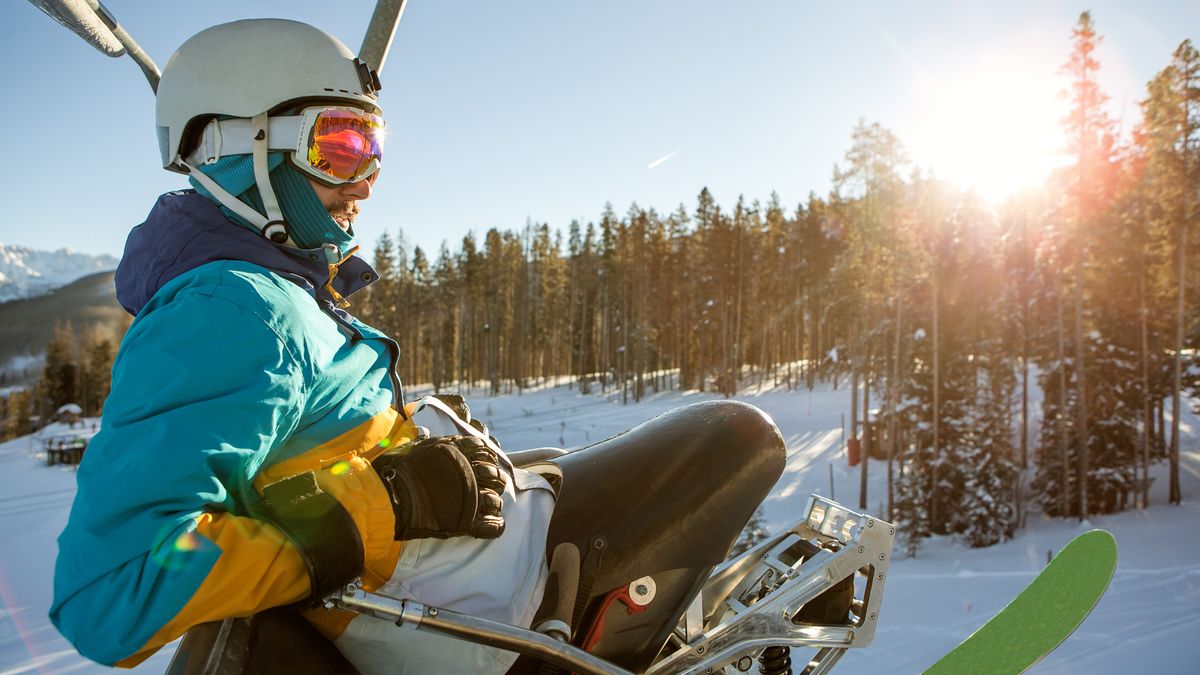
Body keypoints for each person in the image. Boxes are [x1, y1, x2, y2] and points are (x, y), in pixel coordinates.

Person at [49, 18, 557, 673]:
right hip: (509, 622)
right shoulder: (231, 307)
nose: (368, 178)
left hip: (508, 571)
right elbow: (113, 588)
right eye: (341, 146)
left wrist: (405, 439)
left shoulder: (270, 293)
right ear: (245, 149)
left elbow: (299, 450)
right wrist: (385, 503)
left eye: (373, 146)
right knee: (725, 440)